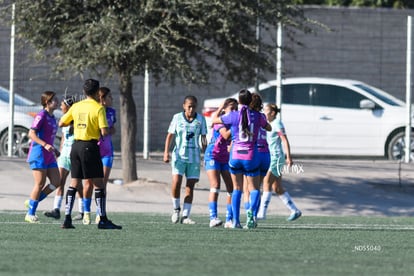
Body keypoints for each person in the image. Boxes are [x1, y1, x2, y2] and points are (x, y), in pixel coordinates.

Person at [60, 78, 121, 229]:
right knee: (99, 185)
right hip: (90, 147)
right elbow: (104, 131)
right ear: (96, 92)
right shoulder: (98, 108)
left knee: (74, 182)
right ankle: (102, 220)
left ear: (84, 91)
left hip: (76, 147)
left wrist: (78, 124)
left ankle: (67, 218)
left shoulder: (77, 106)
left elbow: (62, 122)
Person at [211, 89, 271, 229]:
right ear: (250, 101)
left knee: (237, 188)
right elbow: (268, 127)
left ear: (239, 101)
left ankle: (236, 222)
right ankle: (251, 213)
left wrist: (221, 109)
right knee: (254, 188)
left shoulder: (233, 115)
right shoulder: (257, 116)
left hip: (236, 155)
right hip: (251, 156)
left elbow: (214, 120)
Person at [163, 95, 207, 224]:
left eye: (193, 106)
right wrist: (166, 152)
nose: (191, 109)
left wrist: (206, 153)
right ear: (184, 106)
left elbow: (203, 138)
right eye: (189, 106)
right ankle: (176, 209)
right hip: (179, 156)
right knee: (176, 182)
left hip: (194, 158)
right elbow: (170, 136)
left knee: (190, 186)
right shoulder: (177, 118)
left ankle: (186, 216)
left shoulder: (201, 119)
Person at [257, 103, 301, 221]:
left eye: (266, 110)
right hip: (269, 157)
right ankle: (294, 210)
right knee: (277, 187)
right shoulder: (266, 124)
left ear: (272, 113)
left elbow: (285, 141)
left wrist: (289, 157)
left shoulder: (277, 124)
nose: (264, 112)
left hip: (276, 158)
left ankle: (262, 213)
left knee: (266, 181)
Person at [25, 91, 60, 223]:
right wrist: (45, 145)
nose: (56, 101)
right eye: (53, 100)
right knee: (40, 184)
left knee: (56, 181)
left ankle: (32, 201)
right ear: (46, 102)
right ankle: (30, 213)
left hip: (49, 155)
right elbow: (31, 134)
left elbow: (48, 137)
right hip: (38, 153)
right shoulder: (41, 116)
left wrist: (54, 149)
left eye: (56, 99)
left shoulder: (52, 117)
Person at [204, 98, 237, 228]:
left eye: (236, 108)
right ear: (224, 109)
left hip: (226, 157)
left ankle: (229, 219)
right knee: (215, 184)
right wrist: (237, 126)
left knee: (231, 188)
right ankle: (213, 218)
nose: (234, 111)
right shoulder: (221, 120)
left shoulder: (232, 121)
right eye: (231, 108)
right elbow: (225, 135)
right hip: (213, 155)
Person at [43, 95, 77, 220]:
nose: (60, 106)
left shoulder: (76, 118)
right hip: (64, 155)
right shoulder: (63, 119)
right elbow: (63, 137)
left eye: (62, 104)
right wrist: (60, 151)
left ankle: (84, 211)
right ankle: (56, 209)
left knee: (77, 185)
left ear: (67, 106)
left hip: (74, 155)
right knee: (60, 182)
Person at [242, 93, 270, 222]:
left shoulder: (245, 115)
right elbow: (268, 128)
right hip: (265, 154)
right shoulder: (262, 117)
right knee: (257, 188)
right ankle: (253, 216)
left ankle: (249, 212)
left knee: (248, 187)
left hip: (253, 153)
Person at [95, 86, 116, 224]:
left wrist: (109, 131)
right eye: (109, 97)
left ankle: (100, 213)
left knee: (103, 184)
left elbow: (112, 129)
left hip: (107, 151)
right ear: (102, 99)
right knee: (91, 184)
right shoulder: (95, 110)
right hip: (94, 150)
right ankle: (85, 212)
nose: (112, 99)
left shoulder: (112, 112)